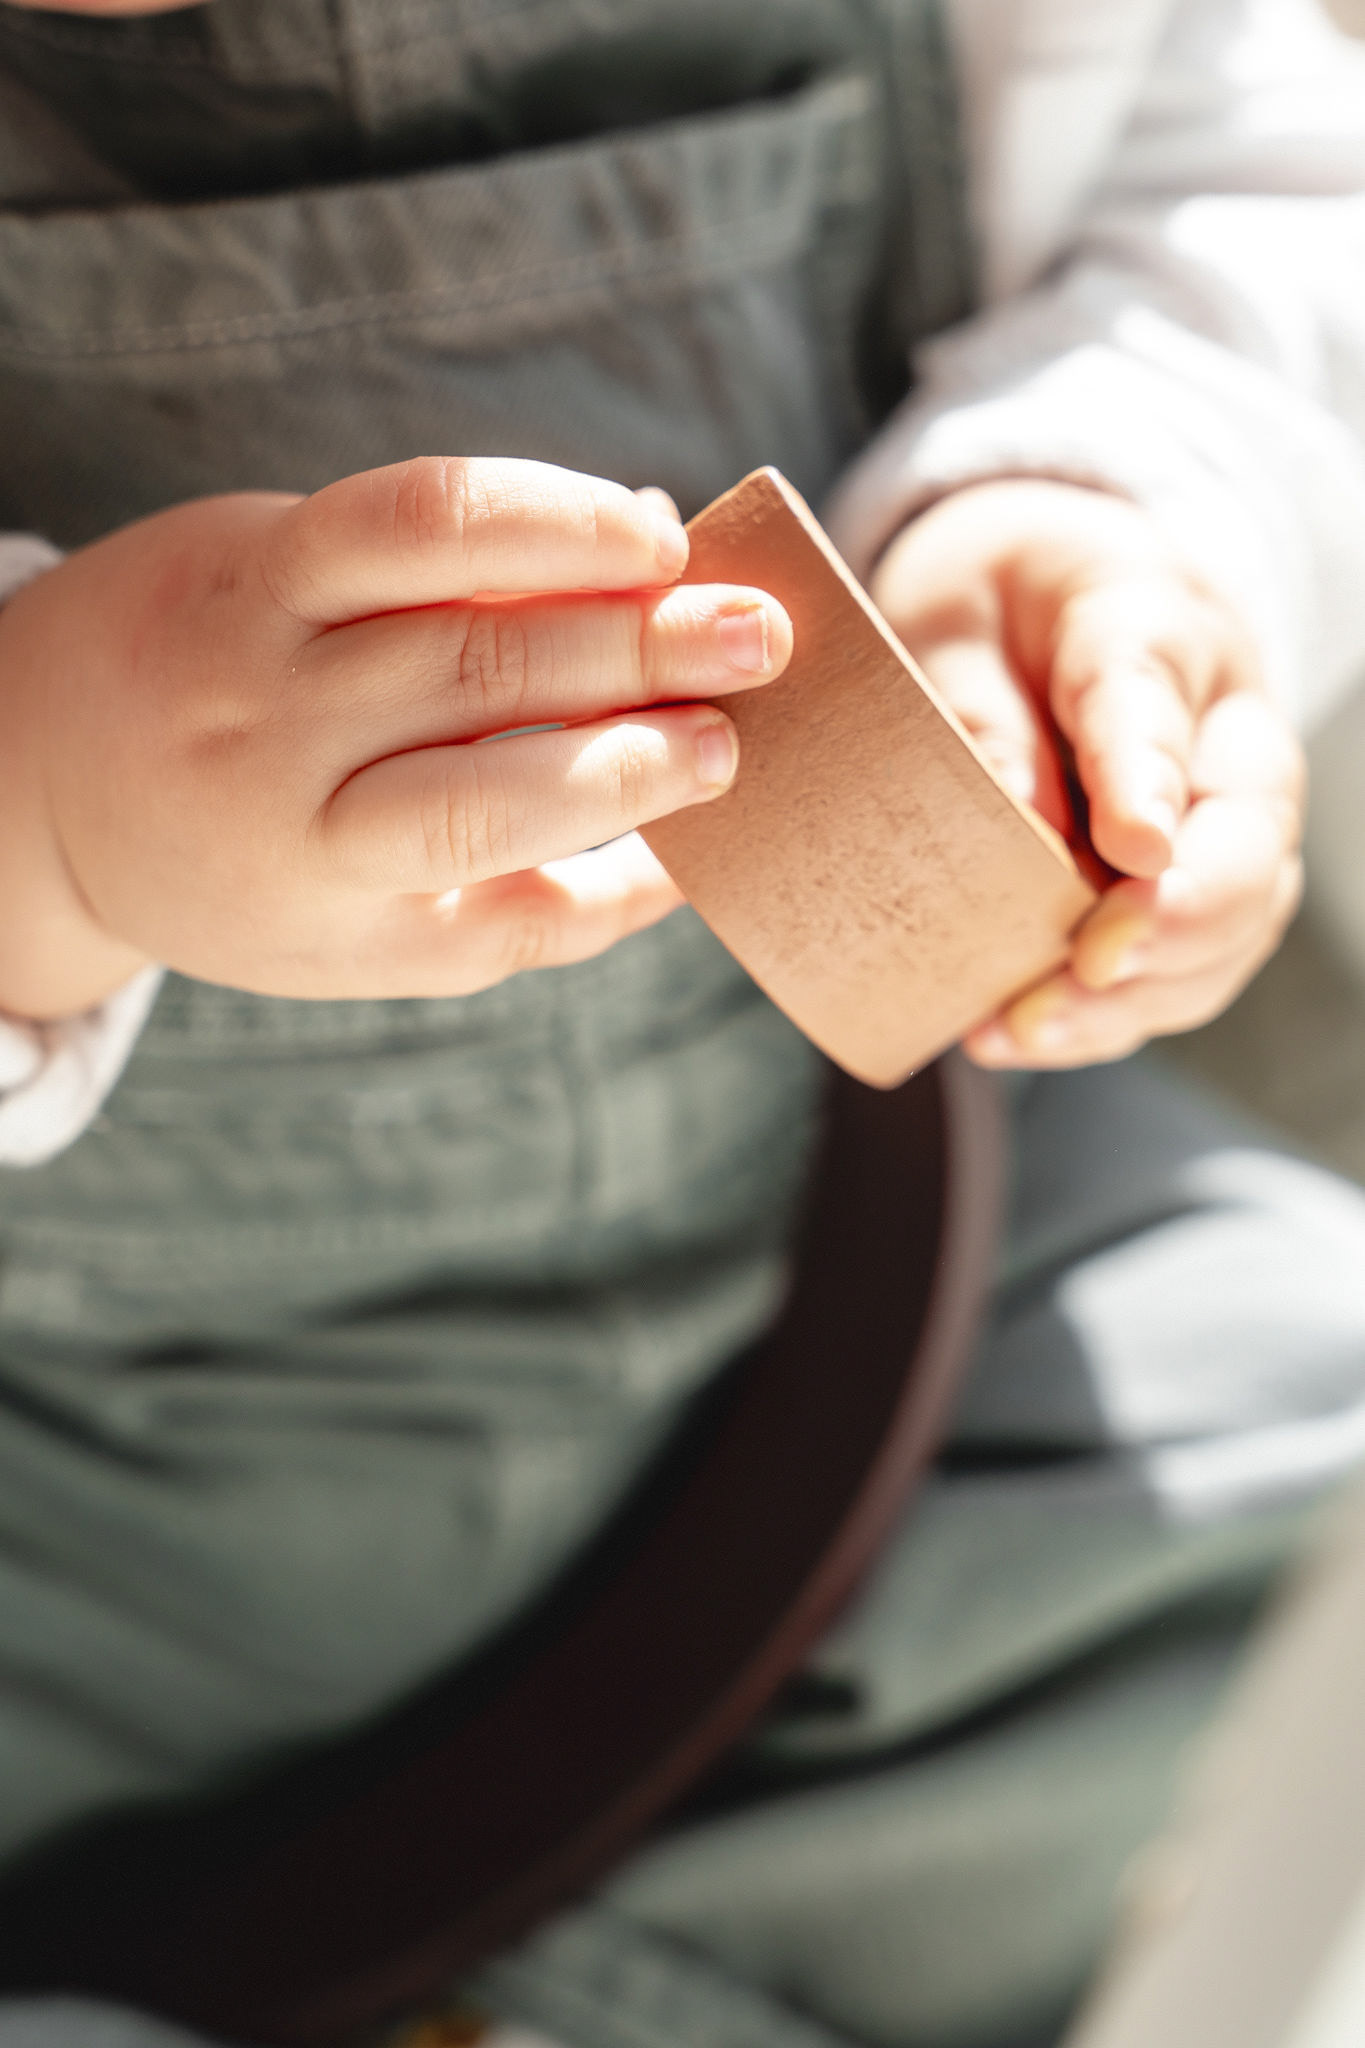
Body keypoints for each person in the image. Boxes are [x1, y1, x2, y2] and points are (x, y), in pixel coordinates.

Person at [0, 2, 1364, 2046]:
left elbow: (1247, 156)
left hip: (837, 1268)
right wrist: (42, 813)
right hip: (101, 1488)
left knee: (1272, 1369)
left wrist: (1097, 508)